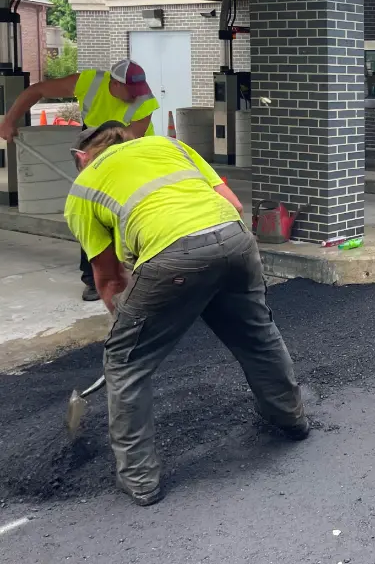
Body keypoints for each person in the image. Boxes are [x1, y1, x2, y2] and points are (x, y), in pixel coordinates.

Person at [64, 122, 307, 507]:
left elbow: (108, 278)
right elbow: (234, 205)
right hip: (235, 241)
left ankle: (139, 480)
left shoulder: (83, 188)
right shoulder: (171, 146)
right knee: (256, 336)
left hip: (170, 258)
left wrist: (128, 325)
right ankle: (291, 420)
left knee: (126, 363)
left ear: (81, 157)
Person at [0, 59, 159, 302]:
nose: (136, 95)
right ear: (114, 84)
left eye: (139, 90)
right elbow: (37, 90)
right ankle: (94, 279)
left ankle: (142, 271)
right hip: (95, 145)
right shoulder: (89, 82)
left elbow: (128, 140)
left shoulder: (144, 100)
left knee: (132, 214)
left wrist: (98, 166)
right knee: (90, 214)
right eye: (130, 90)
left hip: (134, 153)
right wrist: (9, 120)